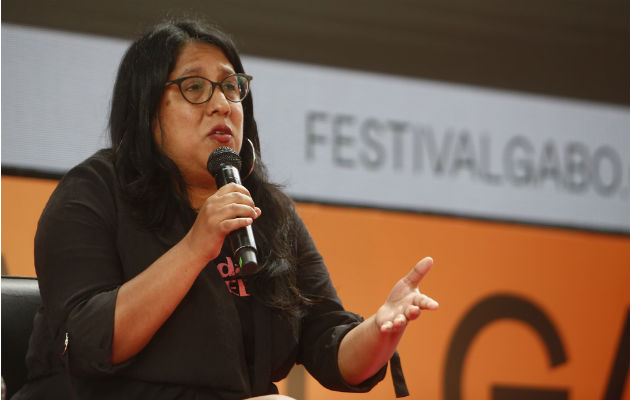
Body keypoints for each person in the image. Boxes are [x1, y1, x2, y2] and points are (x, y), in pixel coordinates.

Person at [12, 19, 438, 400]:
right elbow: (89, 343)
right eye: (194, 87)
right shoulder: (93, 191)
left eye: (231, 86)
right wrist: (197, 244)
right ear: (145, 107)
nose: (222, 105)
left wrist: (380, 331)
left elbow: (327, 340)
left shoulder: (267, 211)